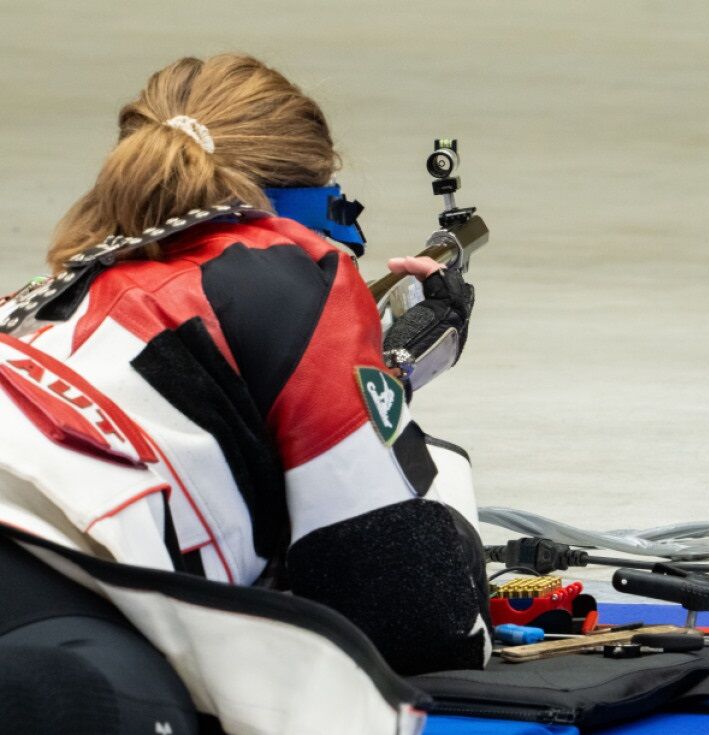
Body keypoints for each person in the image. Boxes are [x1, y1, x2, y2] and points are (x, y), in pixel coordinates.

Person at [0, 53, 487, 734]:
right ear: (307, 210)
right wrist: (394, 408)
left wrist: (371, 378)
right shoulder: (293, 269)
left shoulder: (35, 300)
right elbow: (416, 618)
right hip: (50, 630)